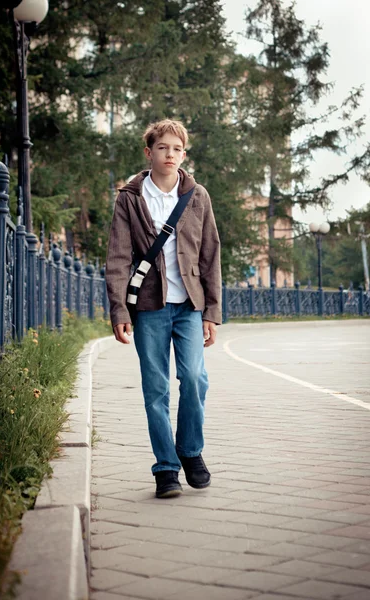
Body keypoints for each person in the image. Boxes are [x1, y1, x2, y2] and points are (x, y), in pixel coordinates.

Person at [105, 119, 222, 498]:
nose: (169, 154)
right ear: (149, 152)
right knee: (155, 389)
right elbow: (119, 257)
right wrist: (120, 311)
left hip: (189, 305)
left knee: (195, 379)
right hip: (150, 308)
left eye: (176, 149)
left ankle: (190, 450)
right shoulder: (130, 197)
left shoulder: (198, 196)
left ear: (183, 154)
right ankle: (166, 468)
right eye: (162, 148)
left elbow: (210, 255)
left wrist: (211, 311)